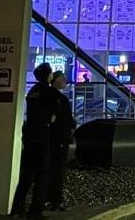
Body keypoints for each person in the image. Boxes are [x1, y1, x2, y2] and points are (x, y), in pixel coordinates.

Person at [12, 62, 57, 217]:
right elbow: (53, 116)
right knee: (41, 177)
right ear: (47, 75)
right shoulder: (50, 92)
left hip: (30, 136)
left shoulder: (32, 91)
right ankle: (35, 210)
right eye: (51, 72)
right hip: (42, 136)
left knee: (26, 176)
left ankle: (17, 208)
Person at [45, 71, 76, 211]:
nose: (65, 80)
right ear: (55, 80)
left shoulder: (44, 95)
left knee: (49, 168)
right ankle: (56, 200)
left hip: (49, 138)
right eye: (62, 78)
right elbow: (66, 119)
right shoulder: (60, 98)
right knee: (58, 170)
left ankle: (47, 199)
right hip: (59, 138)